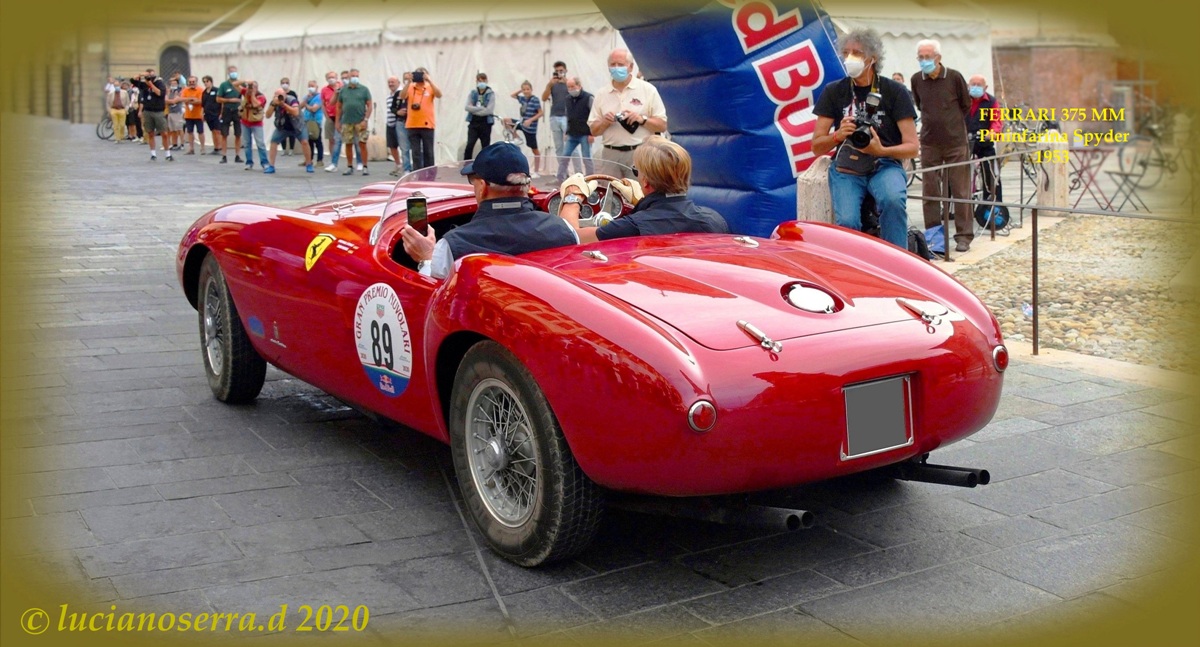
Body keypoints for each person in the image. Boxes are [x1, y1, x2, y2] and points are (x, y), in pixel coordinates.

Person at [400, 142, 578, 280]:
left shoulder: (453, 245)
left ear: (483, 187)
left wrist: (425, 257)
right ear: (527, 186)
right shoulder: (565, 231)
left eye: (473, 180)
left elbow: (433, 289)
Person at [811, 28, 919, 249]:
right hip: (847, 167)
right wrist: (837, 136)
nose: (851, 58)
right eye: (847, 52)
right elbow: (816, 146)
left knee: (892, 201)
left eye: (858, 53)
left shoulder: (895, 91)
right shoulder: (834, 91)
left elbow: (912, 148)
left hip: (884, 163)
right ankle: (856, 270)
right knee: (847, 221)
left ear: (873, 58)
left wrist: (881, 151)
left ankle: (897, 263)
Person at [557, 135, 728, 243]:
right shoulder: (713, 220)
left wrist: (572, 197)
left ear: (645, 181)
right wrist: (641, 202)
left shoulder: (632, 227)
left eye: (636, 171)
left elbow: (570, 236)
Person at [911, 39, 973, 252]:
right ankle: (934, 238)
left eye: (928, 57)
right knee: (930, 192)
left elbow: (966, 104)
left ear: (938, 58)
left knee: (960, 191)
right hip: (929, 143)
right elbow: (920, 105)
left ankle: (963, 236)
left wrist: (952, 124)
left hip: (955, 143)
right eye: (921, 57)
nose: (924, 61)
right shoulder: (916, 80)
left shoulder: (954, 77)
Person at [588, 48, 668, 179]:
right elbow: (594, 130)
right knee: (611, 195)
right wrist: (604, 122)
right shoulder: (602, 94)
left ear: (631, 67)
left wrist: (641, 119)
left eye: (620, 64)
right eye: (612, 64)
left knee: (638, 195)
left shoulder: (647, 90)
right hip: (610, 154)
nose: (616, 68)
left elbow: (662, 125)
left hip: (638, 152)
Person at [967, 74, 1004, 206]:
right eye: (973, 84)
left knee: (992, 173)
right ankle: (951, 208)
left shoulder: (991, 101)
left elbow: (996, 121)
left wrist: (992, 133)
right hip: (964, 143)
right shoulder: (962, 99)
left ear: (985, 87)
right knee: (954, 174)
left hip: (984, 142)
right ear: (968, 85)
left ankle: (995, 204)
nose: (975, 87)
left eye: (979, 85)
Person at [556, 75, 594, 180]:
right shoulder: (568, 99)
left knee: (587, 158)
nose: (571, 89)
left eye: (573, 86)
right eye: (569, 87)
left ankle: (591, 178)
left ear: (579, 85)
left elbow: (594, 116)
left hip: (585, 134)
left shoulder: (589, 98)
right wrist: (566, 132)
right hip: (572, 134)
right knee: (564, 156)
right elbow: (569, 116)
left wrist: (592, 133)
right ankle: (559, 178)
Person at [336, 68, 372, 177]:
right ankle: (349, 166)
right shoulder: (343, 90)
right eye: (353, 76)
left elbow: (369, 105)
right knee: (348, 143)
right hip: (347, 121)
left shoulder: (364, 90)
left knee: (362, 143)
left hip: (360, 121)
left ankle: (365, 166)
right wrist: (337, 121)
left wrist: (365, 120)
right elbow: (339, 107)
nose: (355, 78)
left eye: (357, 76)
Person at [266, 87, 310, 174]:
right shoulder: (274, 102)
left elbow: (296, 112)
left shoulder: (292, 100)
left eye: (281, 96)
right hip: (283, 127)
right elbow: (267, 115)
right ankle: (271, 166)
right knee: (273, 142)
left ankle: (309, 164)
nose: (280, 98)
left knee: (305, 142)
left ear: (285, 95)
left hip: (297, 125)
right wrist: (272, 105)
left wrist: (284, 105)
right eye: (278, 96)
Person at [405, 67, 442, 170]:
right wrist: (408, 82)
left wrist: (429, 80)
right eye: (418, 74)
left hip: (427, 124)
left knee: (428, 152)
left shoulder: (430, 87)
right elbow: (402, 96)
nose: (420, 77)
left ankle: (430, 174)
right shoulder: (410, 87)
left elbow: (439, 95)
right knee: (415, 152)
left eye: (422, 74)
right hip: (412, 124)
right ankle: (417, 173)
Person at [134, 68, 171, 161]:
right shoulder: (144, 85)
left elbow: (160, 93)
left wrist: (151, 84)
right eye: (148, 76)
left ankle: (168, 154)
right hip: (147, 111)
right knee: (150, 133)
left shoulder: (160, 83)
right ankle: (153, 154)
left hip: (158, 111)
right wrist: (140, 74)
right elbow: (133, 81)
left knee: (164, 133)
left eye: (150, 75)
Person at [512, 80, 543, 171]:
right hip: (522, 124)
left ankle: (536, 170)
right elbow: (512, 95)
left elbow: (541, 113)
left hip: (530, 128)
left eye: (527, 89)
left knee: (534, 150)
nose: (526, 91)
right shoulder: (523, 99)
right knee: (506, 121)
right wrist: (520, 90)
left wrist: (530, 120)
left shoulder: (535, 100)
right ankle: (517, 138)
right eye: (524, 89)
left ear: (531, 89)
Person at [464, 72, 496, 160]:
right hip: (473, 122)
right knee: (470, 144)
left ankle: (485, 165)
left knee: (485, 146)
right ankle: (465, 163)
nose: (481, 82)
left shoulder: (490, 93)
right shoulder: (473, 93)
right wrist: (481, 108)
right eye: (479, 80)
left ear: (486, 81)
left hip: (486, 123)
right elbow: (467, 107)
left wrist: (474, 109)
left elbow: (489, 110)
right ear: (476, 81)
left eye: (483, 80)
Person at [542, 61, 570, 159]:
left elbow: (577, 95)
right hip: (554, 116)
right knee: (559, 146)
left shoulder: (569, 83)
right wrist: (549, 85)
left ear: (566, 71)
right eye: (557, 71)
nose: (559, 73)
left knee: (571, 144)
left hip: (567, 116)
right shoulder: (552, 84)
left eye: (561, 71)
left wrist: (567, 82)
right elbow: (544, 98)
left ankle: (576, 170)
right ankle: (563, 171)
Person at [239, 80, 269, 171]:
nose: (251, 89)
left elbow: (256, 104)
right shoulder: (245, 93)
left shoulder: (261, 97)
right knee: (247, 144)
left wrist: (252, 95)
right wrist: (245, 81)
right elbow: (234, 84)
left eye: (253, 87)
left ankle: (264, 162)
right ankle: (249, 162)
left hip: (256, 123)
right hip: (245, 122)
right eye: (250, 87)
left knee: (260, 144)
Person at [217, 66, 243, 164]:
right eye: (232, 72)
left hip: (237, 110)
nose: (234, 74)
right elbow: (218, 99)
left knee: (238, 134)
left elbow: (247, 93)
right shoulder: (224, 85)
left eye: (235, 72)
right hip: (227, 110)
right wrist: (229, 100)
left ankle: (238, 155)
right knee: (224, 133)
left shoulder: (241, 84)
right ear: (228, 73)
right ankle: (224, 155)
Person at [321, 71, 342, 172]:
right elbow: (323, 104)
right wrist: (327, 116)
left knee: (341, 140)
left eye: (333, 77)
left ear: (337, 77)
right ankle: (333, 161)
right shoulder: (324, 90)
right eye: (329, 77)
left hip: (341, 117)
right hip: (330, 116)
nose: (331, 79)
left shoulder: (342, 87)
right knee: (331, 139)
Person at [181, 75, 205, 154]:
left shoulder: (200, 90)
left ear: (196, 82)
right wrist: (193, 99)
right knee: (190, 132)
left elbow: (201, 101)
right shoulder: (185, 90)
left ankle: (202, 148)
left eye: (193, 82)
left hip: (198, 114)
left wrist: (189, 100)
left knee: (200, 132)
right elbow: (182, 99)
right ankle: (191, 148)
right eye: (190, 82)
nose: (191, 83)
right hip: (188, 115)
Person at [302, 80, 325, 167]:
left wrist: (306, 105)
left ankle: (320, 160)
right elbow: (300, 106)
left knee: (317, 141)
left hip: (316, 122)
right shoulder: (307, 97)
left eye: (312, 86)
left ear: (316, 87)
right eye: (309, 86)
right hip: (307, 121)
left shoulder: (319, 97)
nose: (310, 88)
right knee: (309, 141)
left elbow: (314, 109)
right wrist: (305, 100)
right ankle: (309, 159)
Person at [201, 76, 223, 155]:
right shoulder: (204, 93)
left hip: (216, 114)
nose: (206, 83)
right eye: (204, 82)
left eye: (207, 81)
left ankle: (220, 147)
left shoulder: (216, 90)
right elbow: (203, 104)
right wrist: (203, 114)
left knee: (218, 131)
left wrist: (221, 113)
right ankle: (216, 147)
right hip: (208, 114)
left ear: (211, 82)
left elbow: (221, 102)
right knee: (213, 131)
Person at [280, 77, 299, 157]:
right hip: (282, 115)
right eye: (283, 83)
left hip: (291, 115)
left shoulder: (292, 93)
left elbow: (296, 103)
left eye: (286, 83)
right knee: (282, 132)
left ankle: (291, 149)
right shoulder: (279, 93)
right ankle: (284, 149)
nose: (285, 84)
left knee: (292, 133)